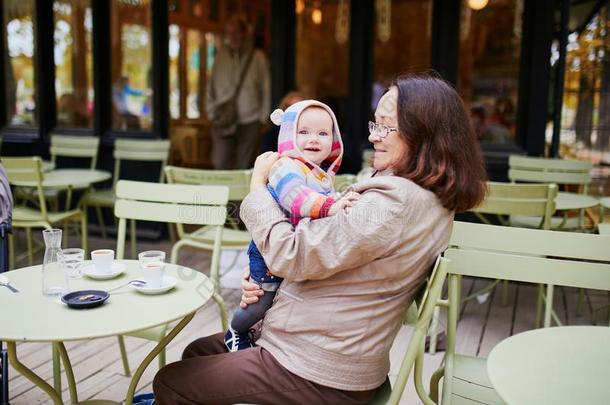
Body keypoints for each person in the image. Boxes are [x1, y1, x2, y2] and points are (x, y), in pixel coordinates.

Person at [153, 73, 487, 404]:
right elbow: (325, 253)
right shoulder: (425, 195)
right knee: (197, 352)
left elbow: (292, 252)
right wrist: (266, 274)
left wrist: (257, 188)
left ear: (425, 135)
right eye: (375, 125)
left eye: (387, 127)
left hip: (318, 367)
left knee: (171, 381)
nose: (375, 138)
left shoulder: (395, 201)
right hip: (321, 343)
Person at [224, 100, 360, 351]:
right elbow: (297, 200)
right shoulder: (285, 167)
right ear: (288, 135)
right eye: (304, 132)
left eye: (323, 133)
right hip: (268, 250)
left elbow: (322, 207)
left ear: (334, 139)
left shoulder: (322, 175)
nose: (314, 139)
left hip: (293, 246)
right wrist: (334, 205)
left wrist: (338, 200)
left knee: (279, 298)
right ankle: (236, 330)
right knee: (260, 301)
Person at [206, 15, 271, 170]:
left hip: (250, 119)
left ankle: (240, 195)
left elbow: (266, 88)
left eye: (236, 32)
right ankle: (221, 194)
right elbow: (210, 86)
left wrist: (263, 117)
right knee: (220, 163)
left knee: (245, 165)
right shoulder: (220, 56)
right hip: (223, 118)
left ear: (244, 33)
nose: (233, 36)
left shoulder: (258, 57)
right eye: (229, 32)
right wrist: (211, 112)